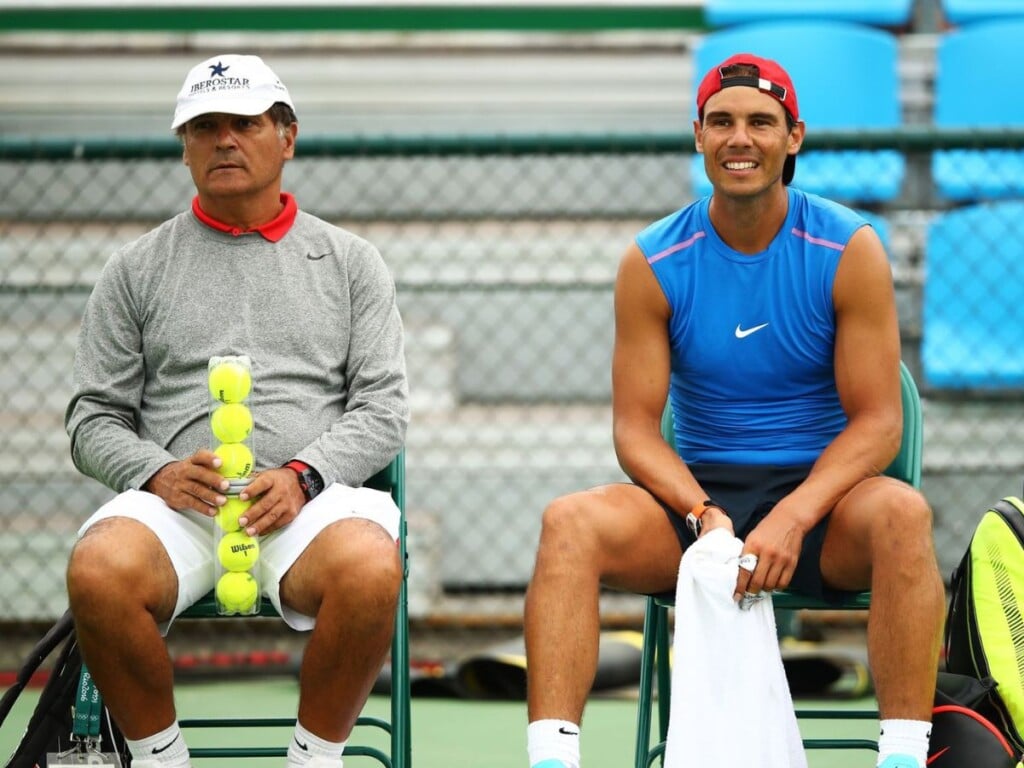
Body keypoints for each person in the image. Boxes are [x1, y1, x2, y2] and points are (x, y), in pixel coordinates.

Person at [523, 53, 945, 768]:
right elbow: (633, 428)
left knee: (904, 515)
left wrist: (794, 515)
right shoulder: (652, 260)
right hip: (701, 507)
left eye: (759, 122)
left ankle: (902, 757)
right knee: (569, 522)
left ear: (794, 137)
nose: (739, 138)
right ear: (698, 136)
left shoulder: (850, 248)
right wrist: (701, 513)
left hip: (822, 508)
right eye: (721, 122)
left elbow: (878, 422)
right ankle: (551, 760)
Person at [64, 54, 409, 768]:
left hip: (305, 507)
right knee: (98, 570)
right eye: (205, 127)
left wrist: (303, 476)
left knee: (372, 568)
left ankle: (313, 760)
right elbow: (92, 417)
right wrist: (157, 472)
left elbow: (383, 411)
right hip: (178, 511)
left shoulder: (351, 262)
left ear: (287, 136)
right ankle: (163, 761)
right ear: (184, 146)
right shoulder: (134, 268)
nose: (224, 140)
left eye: (244, 123)